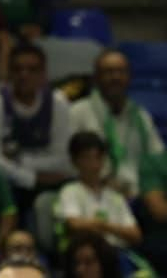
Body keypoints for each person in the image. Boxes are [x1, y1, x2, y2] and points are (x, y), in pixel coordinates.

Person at [0, 42, 73, 206]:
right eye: (17, 69)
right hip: (6, 184)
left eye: (32, 70)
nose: (24, 75)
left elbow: (63, 158)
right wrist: (31, 178)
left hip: (49, 181)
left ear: (43, 74)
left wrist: (20, 161)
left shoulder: (57, 102)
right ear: (9, 73)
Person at [69, 50, 165, 197]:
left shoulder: (140, 115)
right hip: (95, 192)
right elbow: (68, 163)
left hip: (143, 194)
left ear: (129, 77)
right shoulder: (78, 112)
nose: (116, 77)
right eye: (109, 72)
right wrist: (102, 182)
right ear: (96, 78)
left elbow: (158, 158)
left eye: (121, 71)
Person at [56, 131, 142, 252]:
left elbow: (135, 234)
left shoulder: (114, 196)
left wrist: (103, 225)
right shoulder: (70, 191)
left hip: (118, 252)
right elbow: (74, 224)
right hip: (88, 254)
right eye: (87, 158)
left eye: (98, 157)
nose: (94, 165)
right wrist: (114, 228)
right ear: (75, 161)